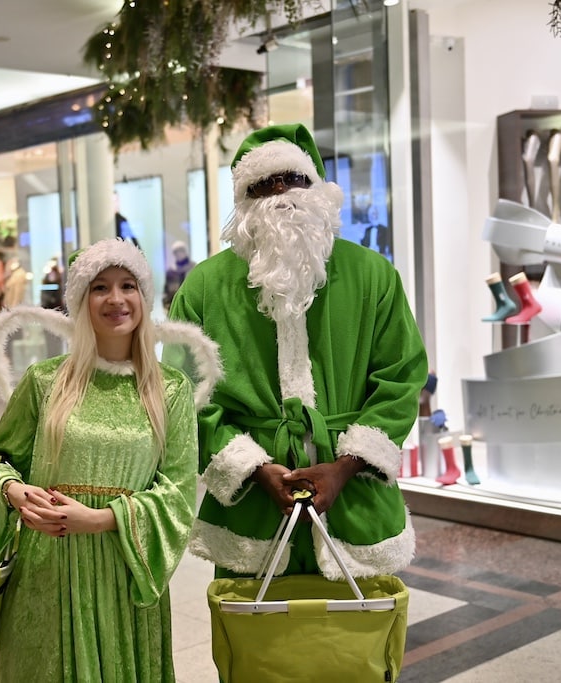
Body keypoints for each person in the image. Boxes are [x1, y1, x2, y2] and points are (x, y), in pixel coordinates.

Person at [166, 123, 428, 581]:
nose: (281, 194)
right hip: (250, 513)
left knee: (358, 645)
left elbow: (402, 376)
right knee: (255, 646)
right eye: (263, 186)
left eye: (294, 179)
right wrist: (252, 468)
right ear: (244, 204)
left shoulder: (373, 275)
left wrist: (347, 466)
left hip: (357, 503)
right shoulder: (204, 287)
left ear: (319, 189)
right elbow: (183, 394)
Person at [0, 238, 215, 682]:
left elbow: (178, 493)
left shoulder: (170, 390)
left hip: (124, 570)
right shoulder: (44, 382)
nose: (116, 299)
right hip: (46, 568)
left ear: (144, 296)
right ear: (81, 301)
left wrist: (102, 518)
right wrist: (13, 490)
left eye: (128, 285)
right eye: (100, 287)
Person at [162, 241, 196, 312]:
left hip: (191, 306)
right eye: (176, 252)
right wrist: (166, 307)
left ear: (185, 252)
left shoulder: (194, 268)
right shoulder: (171, 271)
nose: (178, 254)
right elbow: (166, 291)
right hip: (174, 307)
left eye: (180, 251)